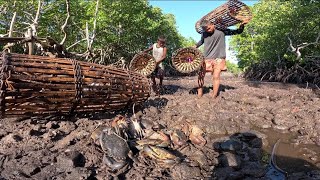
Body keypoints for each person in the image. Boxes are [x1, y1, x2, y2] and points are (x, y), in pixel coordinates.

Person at [194, 19, 249, 99]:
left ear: (212, 24)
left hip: (219, 58)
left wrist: (242, 25)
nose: (208, 30)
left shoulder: (222, 31)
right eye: (206, 29)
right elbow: (201, 42)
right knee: (200, 76)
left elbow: (238, 31)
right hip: (206, 58)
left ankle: (214, 96)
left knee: (216, 76)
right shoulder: (204, 33)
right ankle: (199, 95)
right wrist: (194, 46)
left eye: (209, 28)